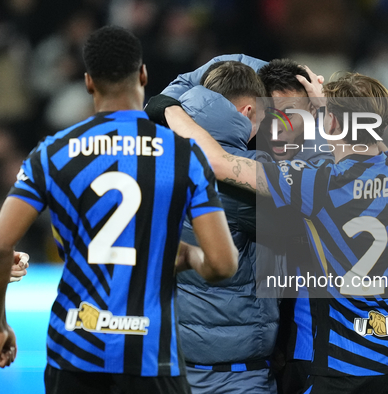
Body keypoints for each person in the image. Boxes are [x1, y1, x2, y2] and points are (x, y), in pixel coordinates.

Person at [156, 70, 388, 393]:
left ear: (331, 123)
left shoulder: (319, 183)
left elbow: (219, 162)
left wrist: (169, 108)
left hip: (346, 371)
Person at [0, 25, 238, 394]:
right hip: (151, 356)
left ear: (88, 82)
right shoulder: (184, 155)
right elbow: (222, 265)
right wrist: (188, 256)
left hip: (74, 353)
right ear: (144, 74)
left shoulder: (52, 153)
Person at [148, 60, 280, 394]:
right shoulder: (250, 172)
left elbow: (172, 92)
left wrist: (174, 107)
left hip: (168, 364)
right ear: (248, 110)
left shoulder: (155, 154)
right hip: (236, 376)